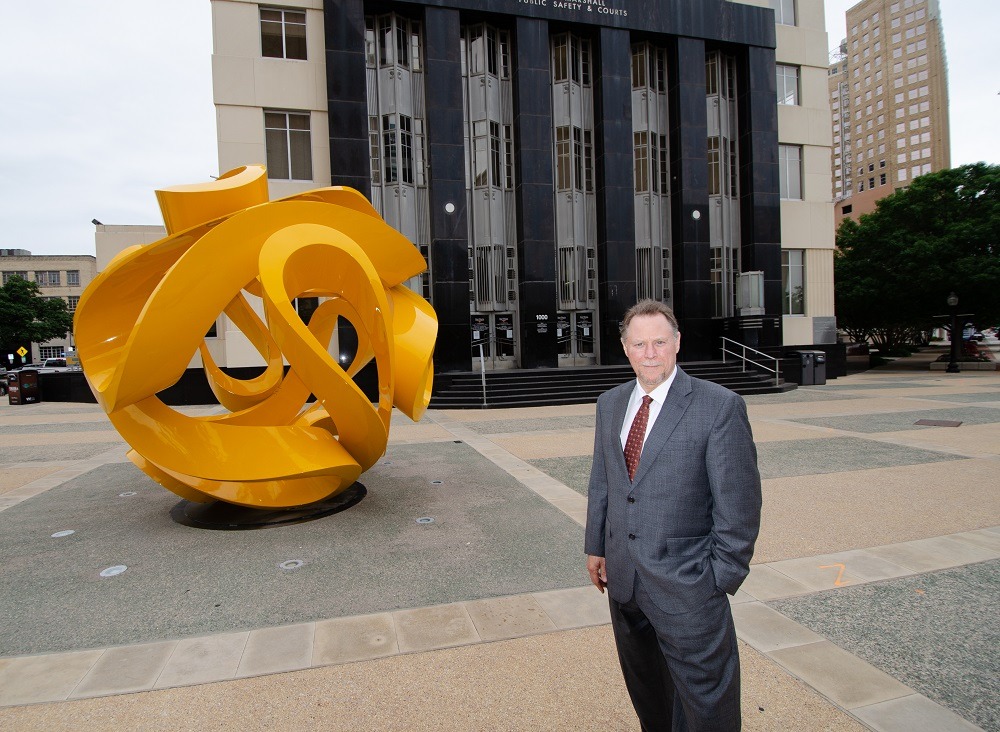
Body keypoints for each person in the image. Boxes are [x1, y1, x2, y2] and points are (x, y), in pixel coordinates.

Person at [585, 299, 762, 732]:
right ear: (625, 348)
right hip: (624, 583)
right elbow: (604, 482)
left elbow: (740, 504)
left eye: (659, 342)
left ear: (677, 343)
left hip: (689, 588)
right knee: (650, 695)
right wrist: (596, 547)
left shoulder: (718, 407)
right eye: (639, 343)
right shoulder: (610, 404)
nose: (650, 353)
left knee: (707, 704)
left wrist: (719, 578)